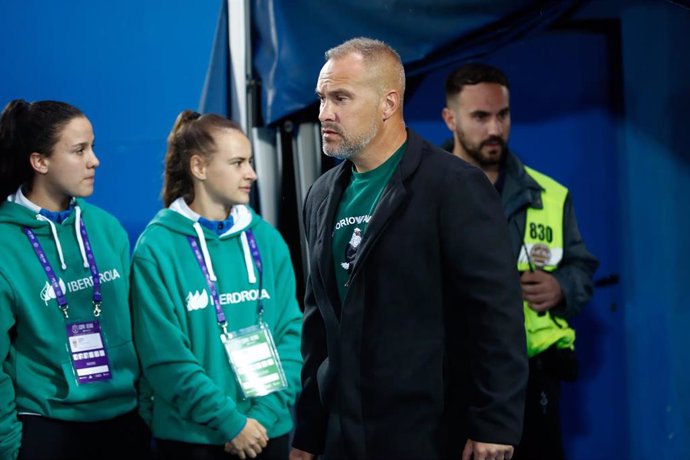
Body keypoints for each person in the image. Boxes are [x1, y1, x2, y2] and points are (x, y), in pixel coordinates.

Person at [290, 37, 528, 460]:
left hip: (430, 432)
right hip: (344, 434)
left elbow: (495, 314)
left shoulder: (454, 186)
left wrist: (495, 422)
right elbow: (318, 326)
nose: (325, 113)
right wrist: (308, 432)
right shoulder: (321, 194)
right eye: (323, 98)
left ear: (388, 103)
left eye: (341, 97)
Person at [441, 63, 599, 460]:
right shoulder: (425, 192)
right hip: (451, 377)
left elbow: (581, 267)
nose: (494, 128)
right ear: (450, 118)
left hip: (533, 379)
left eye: (503, 115)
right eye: (480, 116)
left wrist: (562, 286)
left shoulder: (550, 194)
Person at [130, 110, 303, 460]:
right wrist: (231, 424)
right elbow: (165, 359)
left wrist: (260, 419)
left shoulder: (267, 240)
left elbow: (291, 336)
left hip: (267, 433)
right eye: (238, 163)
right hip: (193, 437)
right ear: (199, 168)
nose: (251, 173)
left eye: (250, 161)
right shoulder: (157, 249)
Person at [0, 99, 151, 459]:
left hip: (124, 423)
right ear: (40, 161)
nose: (94, 160)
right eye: (79, 150)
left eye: (93, 147)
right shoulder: (5, 244)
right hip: (46, 427)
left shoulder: (106, 228)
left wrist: (146, 409)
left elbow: (139, 331)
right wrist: (9, 447)